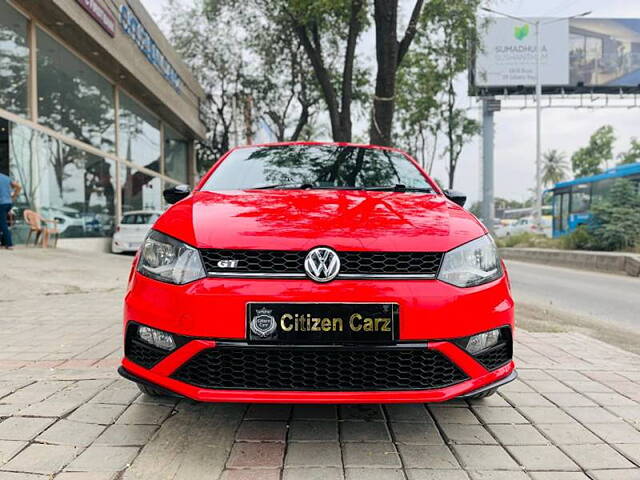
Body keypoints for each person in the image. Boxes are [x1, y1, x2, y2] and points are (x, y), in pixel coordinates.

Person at [0, 172, 21, 250]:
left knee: (2, 223)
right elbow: (18, 187)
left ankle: (9, 244)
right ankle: (3, 242)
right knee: (2, 223)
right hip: (8, 203)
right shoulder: (6, 177)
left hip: (1, 204)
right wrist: (13, 197)